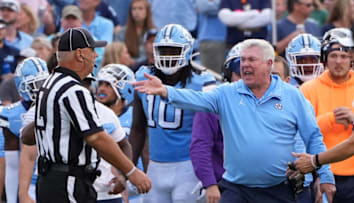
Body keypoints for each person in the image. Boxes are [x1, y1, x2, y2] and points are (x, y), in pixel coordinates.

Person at [133, 38, 330, 203]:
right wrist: (166, 90)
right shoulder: (227, 93)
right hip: (236, 190)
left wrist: (326, 176)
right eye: (243, 60)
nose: (245, 65)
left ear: (269, 64)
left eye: (252, 60)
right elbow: (196, 99)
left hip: (279, 189)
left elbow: (313, 137)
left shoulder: (293, 96)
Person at [34, 27, 151, 203]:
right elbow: (96, 138)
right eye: (93, 50)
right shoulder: (73, 90)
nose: (96, 56)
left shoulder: (48, 84)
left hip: (48, 179)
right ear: (80, 54)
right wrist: (131, 171)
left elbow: (29, 134)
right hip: (69, 182)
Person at [129, 24, 215, 203]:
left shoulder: (203, 82)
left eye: (173, 50)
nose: (168, 56)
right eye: (163, 50)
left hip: (189, 167)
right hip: (155, 166)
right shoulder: (142, 76)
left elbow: (212, 133)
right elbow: (138, 129)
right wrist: (128, 169)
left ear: (188, 51)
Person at [295, 28, 354, 203]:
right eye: (333, 55)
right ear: (324, 58)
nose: (339, 61)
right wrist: (330, 119)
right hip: (320, 171)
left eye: (344, 56)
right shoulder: (308, 89)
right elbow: (300, 134)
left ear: (352, 59)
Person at [190, 42, 242, 203]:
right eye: (240, 73)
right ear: (228, 74)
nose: (246, 78)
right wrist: (210, 183)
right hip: (226, 183)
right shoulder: (214, 103)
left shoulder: (272, 101)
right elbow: (200, 146)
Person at [0, 57, 49, 203]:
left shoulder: (56, 104)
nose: (42, 88)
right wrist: (12, 199)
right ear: (23, 87)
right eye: (37, 84)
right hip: (30, 181)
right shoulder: (12, 115)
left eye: (44, 82)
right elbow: (12, 165)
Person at [96, 64, 145, 203]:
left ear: (124, 89)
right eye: (100, 84)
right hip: (105, 186)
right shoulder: (92, 115)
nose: (101, 89)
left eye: (108, 85)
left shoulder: (134, 116)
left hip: (134, 186)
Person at [0, 17, 19, 83]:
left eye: (2, 28)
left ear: (6, 30)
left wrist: (15, 76)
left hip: (9, 89)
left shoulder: (15, 52)